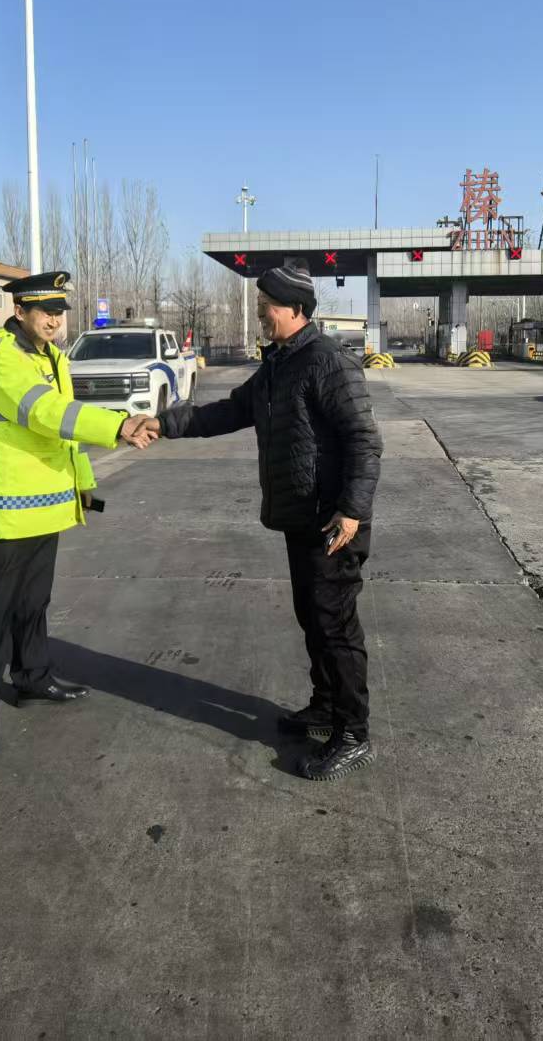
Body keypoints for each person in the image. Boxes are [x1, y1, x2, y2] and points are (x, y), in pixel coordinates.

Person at [138, 261, 383, 781]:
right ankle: (325, 706)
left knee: (336, 626)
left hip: (333, 522)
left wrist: (352, 510)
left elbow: (364, 440)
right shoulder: (279, 365)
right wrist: (163, 423)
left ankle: (353, 733)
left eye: (266, 307)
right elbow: (225, 412)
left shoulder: (326, 361)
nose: (260, 316)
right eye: (259, 306)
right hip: (301, 518)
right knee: (313, 618)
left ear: (295, 310)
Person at [0, 271, 154, 755]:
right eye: (44, 311)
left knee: (33, 602)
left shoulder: (51, 358)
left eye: (59, 312)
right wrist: (117, 425)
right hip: (7, 505)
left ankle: (32, 678)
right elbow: (44, 413)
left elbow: (64, 432)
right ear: (19, 312)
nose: (53, 320)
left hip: (45, 503)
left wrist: (82, 483)